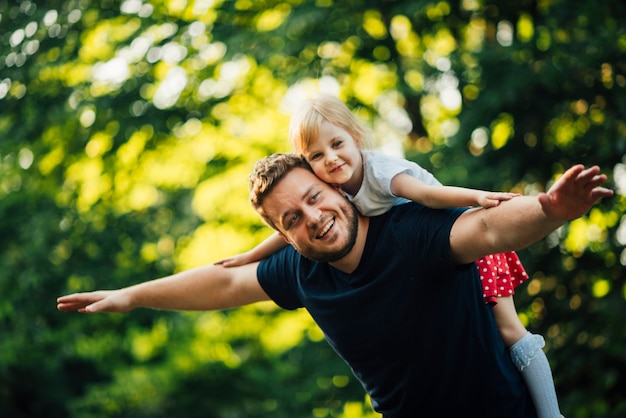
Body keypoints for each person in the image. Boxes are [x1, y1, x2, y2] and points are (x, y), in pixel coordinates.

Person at [57, 152, 612, 417]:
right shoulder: (301, 270)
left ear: (340, 189)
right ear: (282, 236)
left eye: (314, 197)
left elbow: (487, 226)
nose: (312, 217)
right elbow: (222, 286)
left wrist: (550, 210)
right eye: (290, 219)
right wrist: (131, 295)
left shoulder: (409, 232)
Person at [216, 95, 559, 416]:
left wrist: (479, 199)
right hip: (430, 260)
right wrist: (248, 256)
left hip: (464, 241)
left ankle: (551, 413)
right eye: (317, 156)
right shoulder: (334, 191)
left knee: (511, 332)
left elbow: (429, 195)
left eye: (336, 145)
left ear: (355, 138)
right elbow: (285, 232)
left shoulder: (380, 173)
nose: (331, 158)